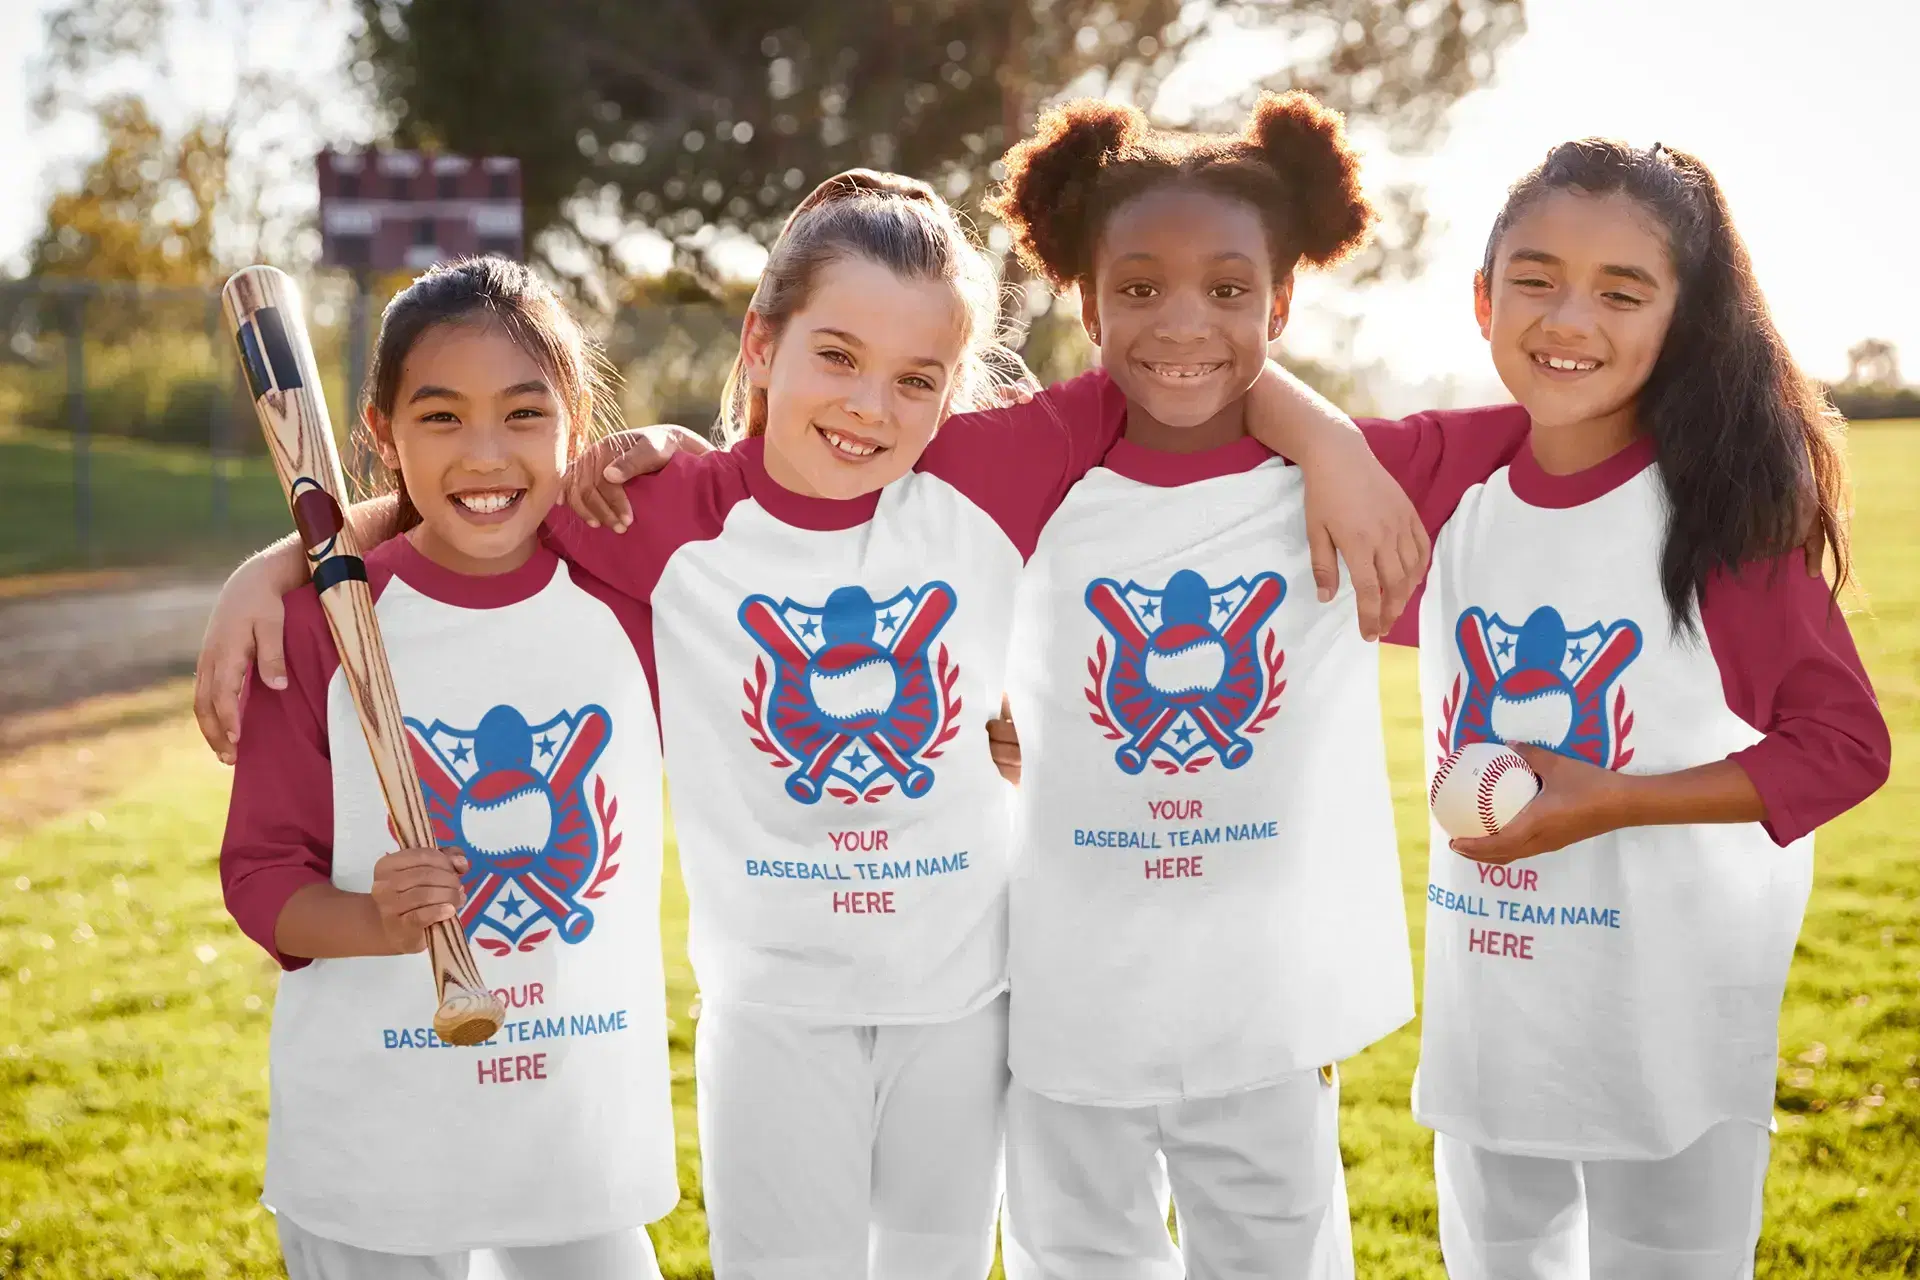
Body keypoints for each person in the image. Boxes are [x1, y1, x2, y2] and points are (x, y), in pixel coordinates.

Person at [200, 171, 1422, 1280]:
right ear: (763, 344)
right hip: (773, 1015)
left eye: (915, 378)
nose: (869, 407)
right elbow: (473, 494)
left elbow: (1185, 353)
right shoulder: (665, 514)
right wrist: (290, 560)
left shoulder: (985, 475)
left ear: (955, 383)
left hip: (963, 1001)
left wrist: (1333, 443)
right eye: (835, 356)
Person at [974, 94, 1537, 1280]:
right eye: (1139, 289)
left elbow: (1593, 426)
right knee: (1077, 1254)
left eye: (1230, 291)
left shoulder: (1365, 476)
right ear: (1085, 300)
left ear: (1282, 301)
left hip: (1264, 1009)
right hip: (1065, 994)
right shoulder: (1023, 474)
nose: (1183, 322)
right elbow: (827, 478)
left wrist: (1326, 438)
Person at [1412, 140, 1891, 1279]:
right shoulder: (1450, 482)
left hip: (1668, 1015)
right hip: (1494, 1008)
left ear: (1686, 319)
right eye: (1534, 277)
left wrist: (1615, 800)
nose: (1568, 315)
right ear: (1482, 298)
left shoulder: (1715, 521)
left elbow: (1845, 748)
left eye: (1622, 290)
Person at [219, 258, 677, 1279]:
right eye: (439, 417)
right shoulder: (320, 624)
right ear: (381, 436)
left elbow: (758, 501)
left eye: (524, 413)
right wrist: (372, 923)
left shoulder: (633, 600)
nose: (485, 454)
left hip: (572, 1119)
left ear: (576, 422)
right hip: (380, 1141)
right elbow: (259, 877)